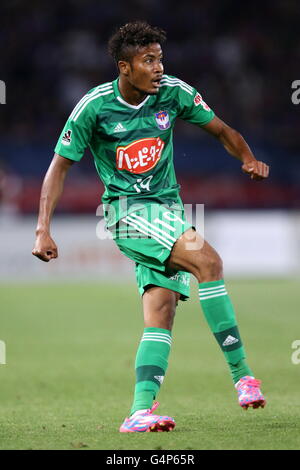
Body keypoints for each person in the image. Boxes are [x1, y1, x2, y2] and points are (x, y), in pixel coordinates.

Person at [32, 21, 269, 433]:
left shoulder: (174, 93)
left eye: (159, 58)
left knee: (160, 313)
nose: (159, 68)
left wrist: (245, 157)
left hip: (168, 213)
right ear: (125, 67)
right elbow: (59, 167)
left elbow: (222, 131)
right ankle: (243, 376)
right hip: (127, 213)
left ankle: (138, 412)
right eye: (148, 61)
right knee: (208, 263)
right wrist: (42, 229)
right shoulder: (94, 106)